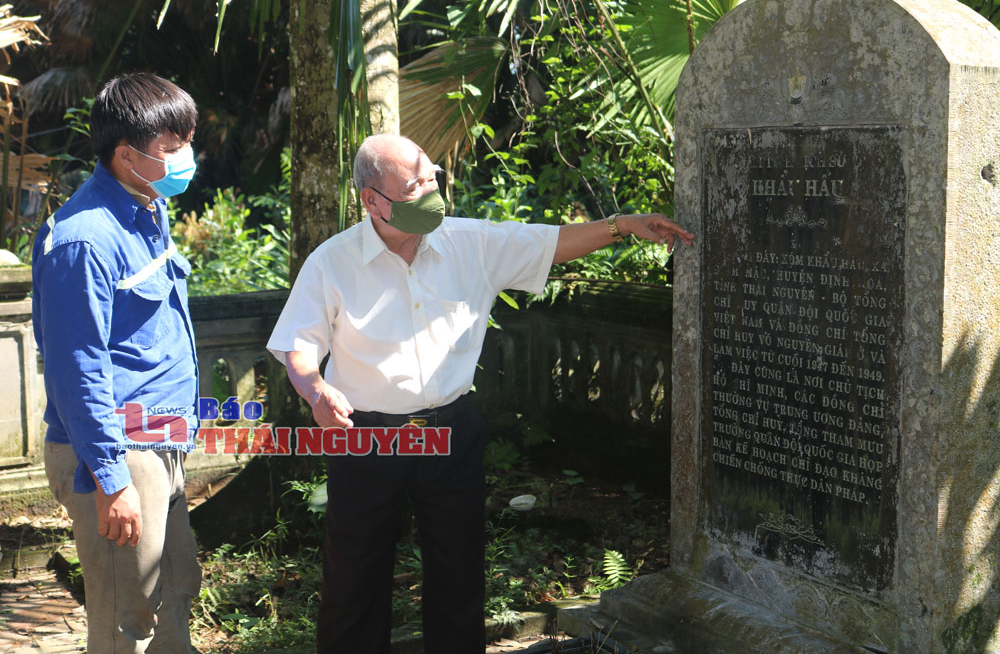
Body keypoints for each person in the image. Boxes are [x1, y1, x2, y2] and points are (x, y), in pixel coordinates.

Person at [266, 133, 695, 653]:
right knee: (354, 573)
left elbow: (551, 242)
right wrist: (316, 392)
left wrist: (624, 226)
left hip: (450, 428)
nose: (431, 192)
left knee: (458, 568)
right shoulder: (331, 263)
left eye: (431, 178)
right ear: (372, 200)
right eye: (413, 186)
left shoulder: (469, 242)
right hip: (367, 434)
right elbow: (299, 346)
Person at [32, 73, 202, 653]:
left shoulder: (146, 209)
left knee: (174, 591)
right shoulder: (83, 240)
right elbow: (77, 371)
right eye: (172, 147)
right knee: (127, 622)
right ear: (127, 155)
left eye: (188, 140)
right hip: (120, 452)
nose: (187, 156)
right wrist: (111, 481)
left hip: (161, 441)